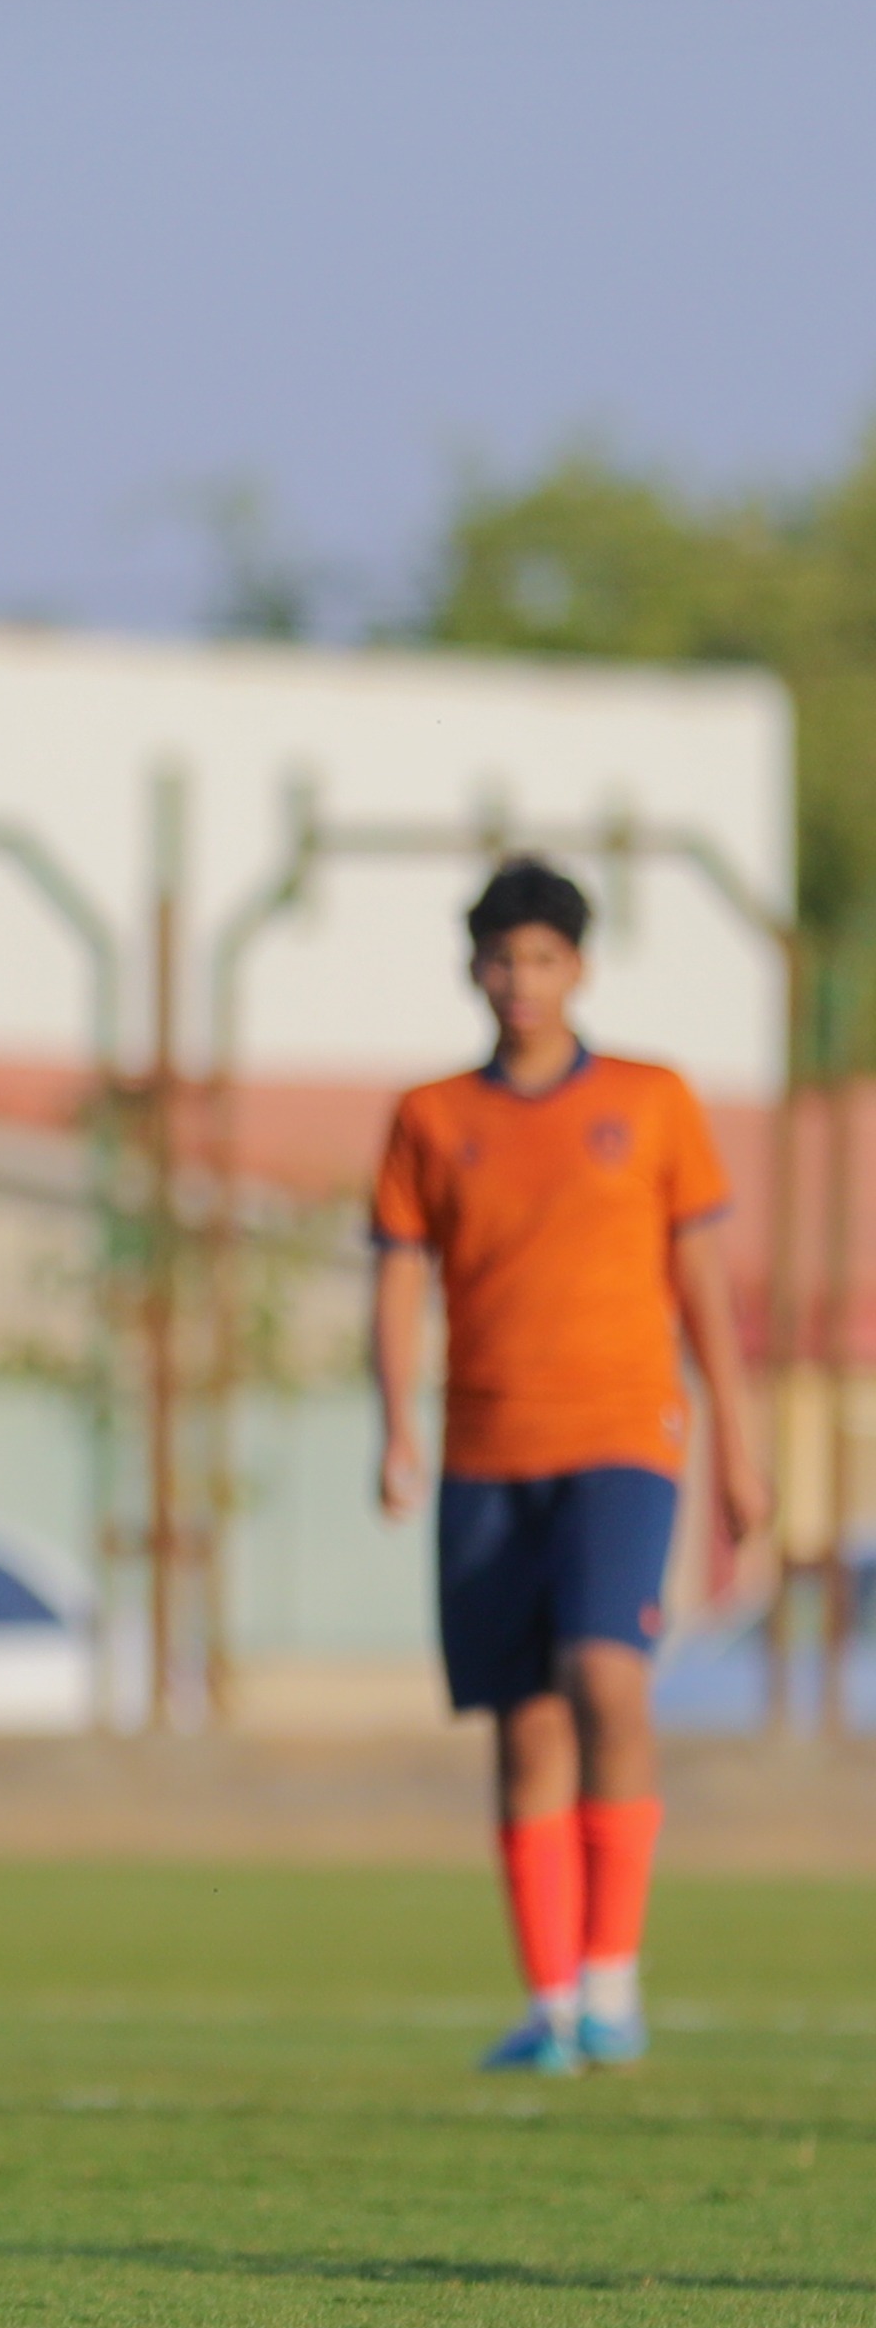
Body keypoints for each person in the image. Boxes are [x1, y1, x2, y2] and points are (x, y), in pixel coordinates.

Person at [374, 857, 769, 2074]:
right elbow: (396, 1276)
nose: (521, 980)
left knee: (607, 1676)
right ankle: (550, 2009)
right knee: (524, 1722)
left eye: (544, 958)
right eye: (501, 958)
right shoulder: (432, 1118)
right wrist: (397, 1425)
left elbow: (701, 1283)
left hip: (623, 1438)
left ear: (579, 968)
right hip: (489, 1450)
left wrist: (739, 1441)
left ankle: (613, 1983)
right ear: (474, 969)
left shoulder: (653, 1102)